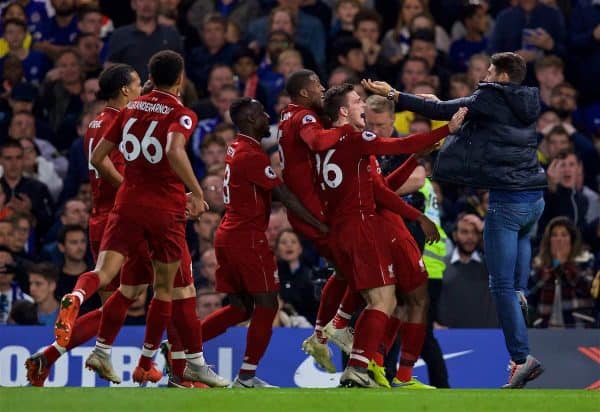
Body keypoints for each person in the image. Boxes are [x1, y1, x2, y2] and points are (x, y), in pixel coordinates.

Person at [363, 51, 547, 388]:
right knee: (519, 256)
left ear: (503, 76)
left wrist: (394, 94)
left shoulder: (492, 95)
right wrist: (447, 101)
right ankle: (520, 290)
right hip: (535, 199)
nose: (485, 74)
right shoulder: (527, 99)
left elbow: (447, 113)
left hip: (506, 201)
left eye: (491, 70)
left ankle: (521, 358)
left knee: (499, 285)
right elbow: (469, 108)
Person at [52, 51, 223, 387]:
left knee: (113, 279)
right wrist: (198, 193)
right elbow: (174, 150)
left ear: (149, 76)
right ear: (180, 78)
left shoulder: (130, 108)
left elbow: (100, 157)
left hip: (125, 206)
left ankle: (95, 336)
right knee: (174, 289)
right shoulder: (181, 112)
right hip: (163, 210)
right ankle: (191, 363)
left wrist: (131, 183)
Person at [315, 84, 465, 388]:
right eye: (356, 102)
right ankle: (355, 355)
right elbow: (399, 149)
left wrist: (415, 159)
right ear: (344, 111)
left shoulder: (325, 143)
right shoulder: (354, 140)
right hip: (363, 228)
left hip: (343, 229)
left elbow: (379, 189)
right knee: (385, 300)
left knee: (381, 298)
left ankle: (349, 347)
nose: (362, 107)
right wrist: (446, 129)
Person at [200, 97, 327, 388]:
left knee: (241, 309)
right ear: (247, 120)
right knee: (268, 305)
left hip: (230, 234)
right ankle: (246, 376)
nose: (266, 116)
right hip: (246, 238)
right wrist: (320, 225)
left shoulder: (237, 146)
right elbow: (284, 196)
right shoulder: (251, 155)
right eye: (260, 114)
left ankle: (182, 346)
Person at [529, 216, 596, 328]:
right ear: (549, 240)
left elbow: (587, 288)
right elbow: (530, 295)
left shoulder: (586, 259)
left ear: (572, 239)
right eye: (554, 235)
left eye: (564, 235)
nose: (559, 239)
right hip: (545, 329)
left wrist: (565, 265)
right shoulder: (539, 263)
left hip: (578, 325)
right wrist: (547, 272)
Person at [438, 214, 499, 328]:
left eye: (475, 232)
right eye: (465, 232)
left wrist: (484, 228)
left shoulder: (491, 266)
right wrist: (433, 323)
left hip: (485, 336)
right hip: (449, 337)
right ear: (455, 235)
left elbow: (505, 250)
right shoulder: (441, 266)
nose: (470, 237)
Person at [106, 0, 183, 81]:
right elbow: (110, 74)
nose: (147, 4)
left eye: (152, 0)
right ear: (133, 4)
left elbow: (181, 73)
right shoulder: (119, 35)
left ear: (158, 4)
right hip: (130, 92)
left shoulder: (171, 35)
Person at [28, 262, 59, 326]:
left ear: (52, 286)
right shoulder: (22, 314)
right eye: (31, 284)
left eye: (38, 284)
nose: (32, 289)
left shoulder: (69, 314)